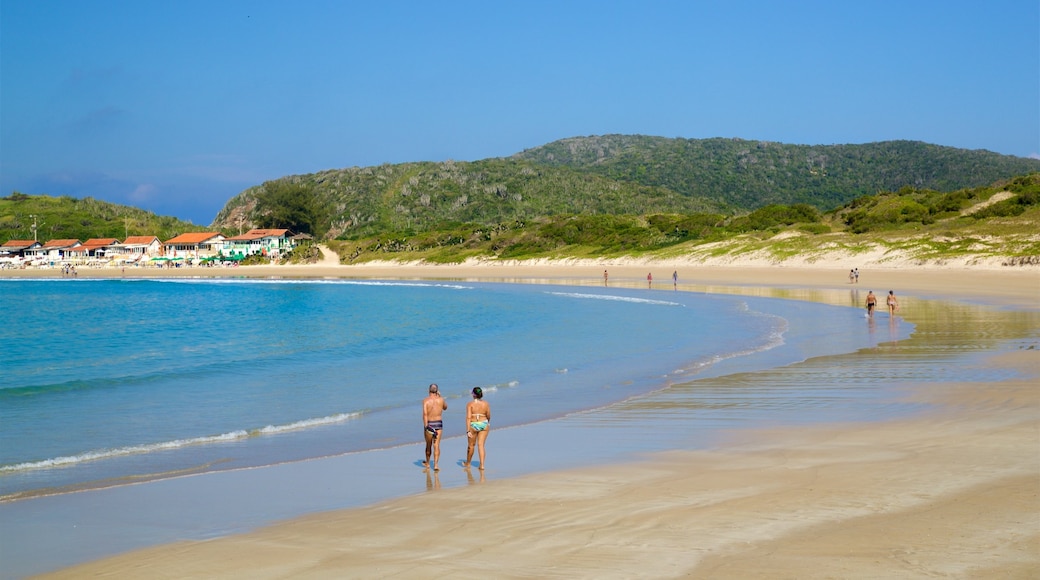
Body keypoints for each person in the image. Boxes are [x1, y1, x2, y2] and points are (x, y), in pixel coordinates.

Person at [464, 387, 491, 470]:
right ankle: (482, 465)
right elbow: (488, 415)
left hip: (473, 424)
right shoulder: (486, 404)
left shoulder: (470, 404)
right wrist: (486, 422)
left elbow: (468, 418)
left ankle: (468, 463)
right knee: (481, 445)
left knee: (471, 446)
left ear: (473, 394)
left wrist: (468, 430)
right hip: (484, 423)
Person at [422, 383, 447, 471]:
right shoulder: (441, 399)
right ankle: (436, 465)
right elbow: (445, 407)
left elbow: (425, 414)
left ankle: (428, 463)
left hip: (430, 423)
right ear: (437, 391)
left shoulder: (426, 400)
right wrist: (440, 396)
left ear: (429, 390)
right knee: (436, 445)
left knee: (428, 445)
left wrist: (426, 426)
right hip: (438, 423)